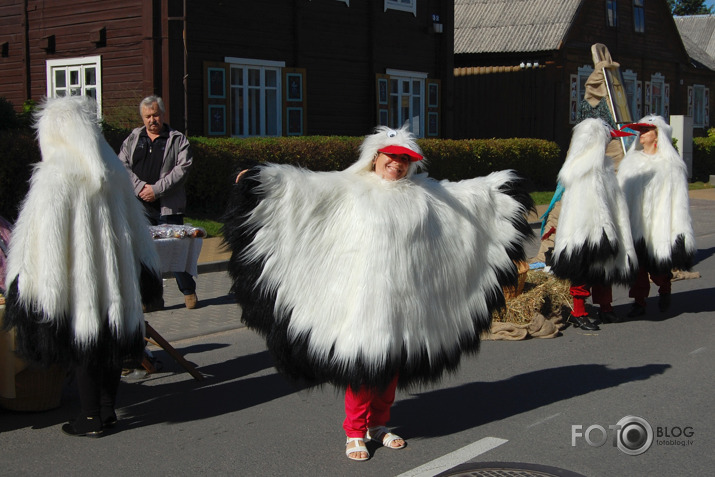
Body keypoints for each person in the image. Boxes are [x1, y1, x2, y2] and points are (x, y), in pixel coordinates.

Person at [224, 125, 534, 461]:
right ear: (376, 156)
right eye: (392, 156)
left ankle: (379, 425)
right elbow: (303, 189)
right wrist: (262, 180)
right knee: (364, 365)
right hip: (364, 300)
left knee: (392, 369)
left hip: (407, 301)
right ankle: (354, 431)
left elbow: (465, 200)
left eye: (404, 159)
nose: (397, 164)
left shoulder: (425, 193)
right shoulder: (348, 187)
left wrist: (499, 190)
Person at [2, 96, 162, 436]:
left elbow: (32, 239)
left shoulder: (54, 175)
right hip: (116, 279)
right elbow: (138, 228)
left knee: (85, 341)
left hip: (77, 279)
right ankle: (106, 411)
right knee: (110, 338)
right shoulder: (114, 171)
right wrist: (147, 269)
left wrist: (21, 281)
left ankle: (89, 418)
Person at [550, 118, 638, 330]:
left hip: (604, 229)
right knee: (583, 269)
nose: (609, 142)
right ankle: (578, 313)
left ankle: (606, 308)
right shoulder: (583, 170)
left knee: (604, 269)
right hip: (584, 231)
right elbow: (583, 207)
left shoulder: (603, 168)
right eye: (605, 138)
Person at [118, 96, 196, 309]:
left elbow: (183, 169)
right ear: (142, 118)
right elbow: (121, 164)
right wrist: (140, 188)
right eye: (148, 116)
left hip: (167, 206)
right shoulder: (133, 138)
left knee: (176, 249)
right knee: (145, 255)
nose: (152, 120)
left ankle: (188, 291)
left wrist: (156, 189)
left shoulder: (177, 139)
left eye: (155, 115)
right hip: (139, 206)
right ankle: (152, 298)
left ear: (162, 115)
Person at [618, 116, 696, 317]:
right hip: (635, 225)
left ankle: (665, 289)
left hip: (658, 226)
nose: (641, 134)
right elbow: (621, 193)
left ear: (658, 135)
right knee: (638, 268)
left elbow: (679, 202)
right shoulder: (630, 162)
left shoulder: (671, 165)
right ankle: (639, 302)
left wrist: (678, 231)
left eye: (646, 130)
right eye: (640, 131)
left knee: (659, 269)